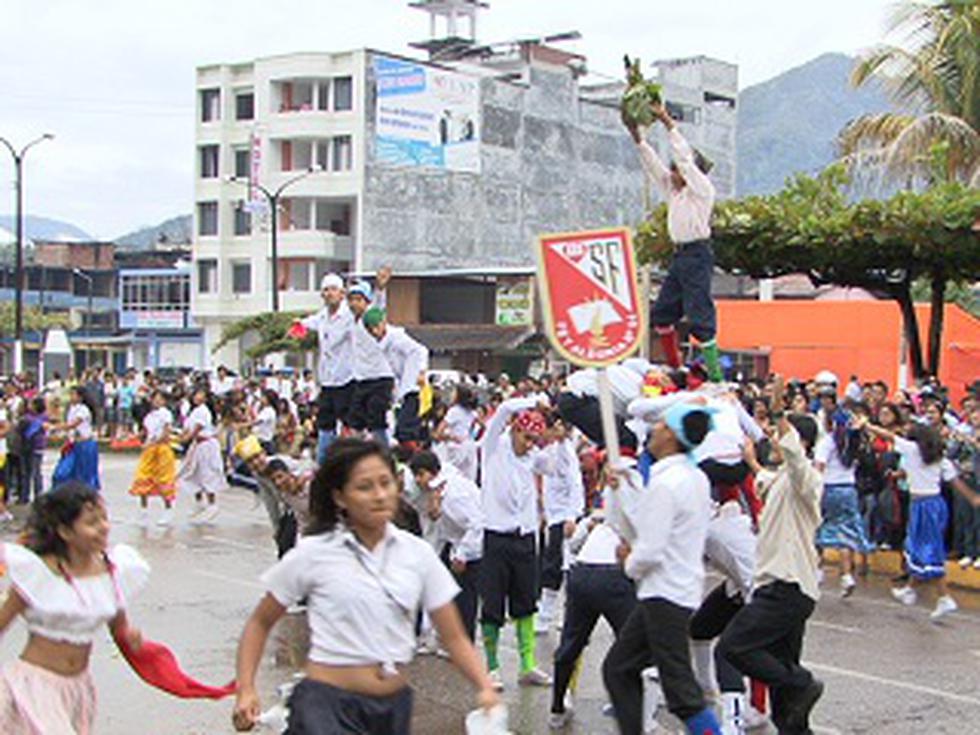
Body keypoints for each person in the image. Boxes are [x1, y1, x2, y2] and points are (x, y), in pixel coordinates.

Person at [231, 438, 499, 733]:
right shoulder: (315, 553)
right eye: (364, 487)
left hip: (391, 709)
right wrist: (246, 689)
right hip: (326, 706)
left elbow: (454, 636)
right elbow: (260, 621)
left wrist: (484, 686)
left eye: (386, 483)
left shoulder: (416, 553)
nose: (379, 495)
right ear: (340, 497)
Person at [601, 401, 722, 735]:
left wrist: (629, 563)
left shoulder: (667, 483)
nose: (653, 429)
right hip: (673, 590)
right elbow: (652, 522)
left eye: (660, 424)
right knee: (619, 668)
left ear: (670, 434)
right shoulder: (693, 477)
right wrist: (623, 489)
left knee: (680, 688)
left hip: (664, 594)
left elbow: (650, 548)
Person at [719, 376, 825, 735]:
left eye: (783, 434)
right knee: (787, 712)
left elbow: (793, 457)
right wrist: (750, 459)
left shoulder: (807, 480)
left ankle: (802, 681)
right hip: (778, 587)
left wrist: (781, 411)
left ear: (802, 441)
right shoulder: (780, 479)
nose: (775, 440)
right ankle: (796, 707)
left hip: (788, 586)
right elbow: (764, 477)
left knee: (733, 647)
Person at [0, 482, 149, 733]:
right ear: (65, 532)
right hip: (34, 686)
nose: (103, 528)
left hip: (78, 689)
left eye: (104, 519)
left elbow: (120, 628)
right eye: (92, 522)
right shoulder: (38, 573)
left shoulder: (113, 572)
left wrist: (131, 638)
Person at [624, 102, 720, 380]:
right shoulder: (675, 192)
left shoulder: (701, 190)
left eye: (677, 170)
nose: (673, 174)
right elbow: (654, 167)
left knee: (700, 316)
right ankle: (677, 368)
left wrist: (668, 124)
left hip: (697, 254)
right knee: (663, 315)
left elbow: (686, 161)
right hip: (679, 256)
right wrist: (638, 137)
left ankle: (715, 375)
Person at [479, 397, 563, 690]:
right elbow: (502, 410)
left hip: (525, 539)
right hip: (495, 538)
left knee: (526, 603)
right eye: (527, 437)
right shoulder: (492, 449)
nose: (530, 444)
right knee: (492, 605)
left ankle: (527, 664)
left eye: (534, 440)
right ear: (514, 430)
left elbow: (552, 467)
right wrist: (534, 401)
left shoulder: (533, 458)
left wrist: (555, 439)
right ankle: (491, 667)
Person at [860, 419, 980, 620]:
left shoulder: (912, 450)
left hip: (924, 507)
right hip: (933, 505)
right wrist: (973, 498)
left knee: (929, 551)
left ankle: (944, 597)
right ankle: (910, 588)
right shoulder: (940, 460)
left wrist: (866, 425)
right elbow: (955, 483)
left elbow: (888, 435)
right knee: (918, 548)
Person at [410, 450, 485, 641]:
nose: (418, 480)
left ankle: (464, 641)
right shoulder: (437, 490)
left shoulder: (453, 495)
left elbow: (476, 523)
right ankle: (440, 634)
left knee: (465, 595)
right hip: (453, 543)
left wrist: (463, 554)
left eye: (421, 475)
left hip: (472, 546)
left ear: (432, 473)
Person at [294, 274, 355, 462]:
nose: (329, 294)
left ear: (342, 293)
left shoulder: (350, 316)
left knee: (349, 423)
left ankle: (351, 458)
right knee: (325, 424)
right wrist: (297, 326)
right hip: (327, 380)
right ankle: (323, 463)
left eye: (333, 289)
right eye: (326, 290)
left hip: (346, 378)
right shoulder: (322, 316)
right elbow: (307, 324)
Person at [813, 396, 868, 596]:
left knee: (818, 527)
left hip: (829, 488)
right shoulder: (854, 443)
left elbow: (819, 467)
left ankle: (817, 570)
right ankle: (846, 575)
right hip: (848, 489)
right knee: (845, 531)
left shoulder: (827, 442)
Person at [537, 418, 586, 635]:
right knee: (552, 566)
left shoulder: (566, 451)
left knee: (564, 567)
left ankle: (564, 615)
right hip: (553, 516)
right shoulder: (548, 451)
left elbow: (575, 483)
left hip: (565, 517)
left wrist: (572, 516)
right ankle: (547, 614)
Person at [364, 307, 430, 447]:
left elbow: (420, 350)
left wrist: (421, 372)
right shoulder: (383, 343)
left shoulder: (396, 337)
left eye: (376, 327)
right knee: (402, 430)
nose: (375, 332)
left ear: (383, 323)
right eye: (370, 330)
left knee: (405, 430)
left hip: (414, 387)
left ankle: (415, 458)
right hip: (404, 388)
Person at [346, 270, 395, 446]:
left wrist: (380, 287)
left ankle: (385, 456)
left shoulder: (370, 317)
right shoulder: (351, 321)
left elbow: (379, 306)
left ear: (366, 301)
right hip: (362, 378)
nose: (354, 304)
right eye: (351, 300)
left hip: (380, 377)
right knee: (355, 420)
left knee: (376, 420)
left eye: (358, 300)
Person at [178, 387, 228, 525]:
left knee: (208, 474)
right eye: (196, 393)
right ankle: (199, 502)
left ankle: (212, 504)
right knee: (193, 473)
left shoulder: (204, 411)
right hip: (197, 446)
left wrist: (184, 439)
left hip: (207, 446)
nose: (197, 396)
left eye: (201, 394)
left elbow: (195, 431)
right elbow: (187, 429)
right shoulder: (193, 411)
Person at [129, 389, 177, 527]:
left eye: (160, 398)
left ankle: (168, 510)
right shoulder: (149, 416)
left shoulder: (166, 414)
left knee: (163, 481)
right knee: (143, 478)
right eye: (155, 398)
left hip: (161, 450)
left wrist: (153, 442)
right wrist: (133, 438)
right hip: (149, 450)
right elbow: (145, 431)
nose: (157, 401)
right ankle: (143, 512)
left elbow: (166, 433)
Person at [51, 386, 101, 491]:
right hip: (73, 444)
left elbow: (73, 424)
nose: (71, 397)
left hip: (84, 445)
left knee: (84, 475)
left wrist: (55, 427)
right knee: (62, 473)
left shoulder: (83, 410)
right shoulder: (72, 409)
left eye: (73, 394)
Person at [433, 384, 481, 483]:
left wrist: (450, 437)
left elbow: (439, 432)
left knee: (452, 477)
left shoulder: (454, 411)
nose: (451, 394)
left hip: (456, 448)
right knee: (469, 479)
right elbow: (483, 425)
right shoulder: (472, 412)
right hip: (469, 446)